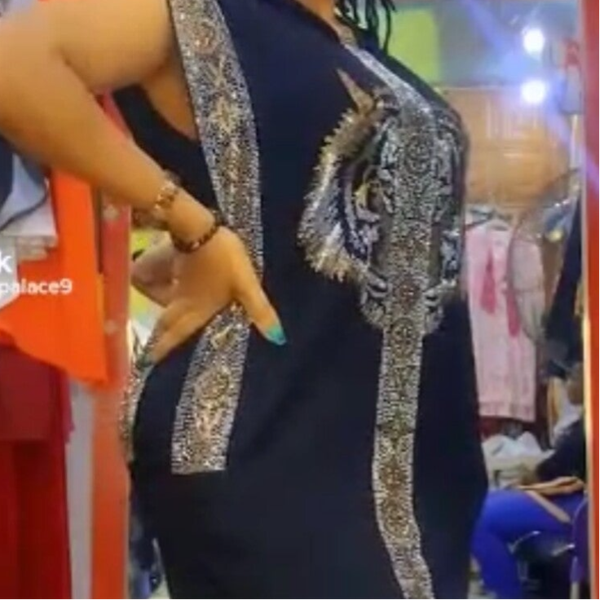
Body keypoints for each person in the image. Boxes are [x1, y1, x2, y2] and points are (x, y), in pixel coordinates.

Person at [0, 0, 487, 598]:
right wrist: (191, 225)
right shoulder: (205, 12)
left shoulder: (349, 41)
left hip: (417, 466)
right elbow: (14, 63)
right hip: (275, 446)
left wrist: (245, 235)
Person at [472, 363, 586, 600]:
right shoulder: (585, 420)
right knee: (484, 504)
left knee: (477, 516)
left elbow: (554, 468)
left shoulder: (589, 425)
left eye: (574, 377)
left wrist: (531, 475)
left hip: (582, 507)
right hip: (576, 500)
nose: (567, 384)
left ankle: (506, 593)